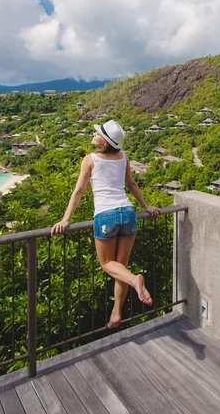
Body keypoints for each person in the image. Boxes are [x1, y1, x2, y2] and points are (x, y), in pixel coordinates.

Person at [51, 119, 161, 329]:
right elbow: (132, 184)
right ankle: (116, 314)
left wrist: (65, 219)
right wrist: (146, 206)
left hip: (106, 216)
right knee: (121, 268)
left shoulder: (90, 159)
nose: (93, 135)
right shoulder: (123, 157)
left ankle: (136, 281)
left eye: (97, 134)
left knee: (107, 265)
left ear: (104, 142)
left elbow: (79, 191)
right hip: (128, 213)